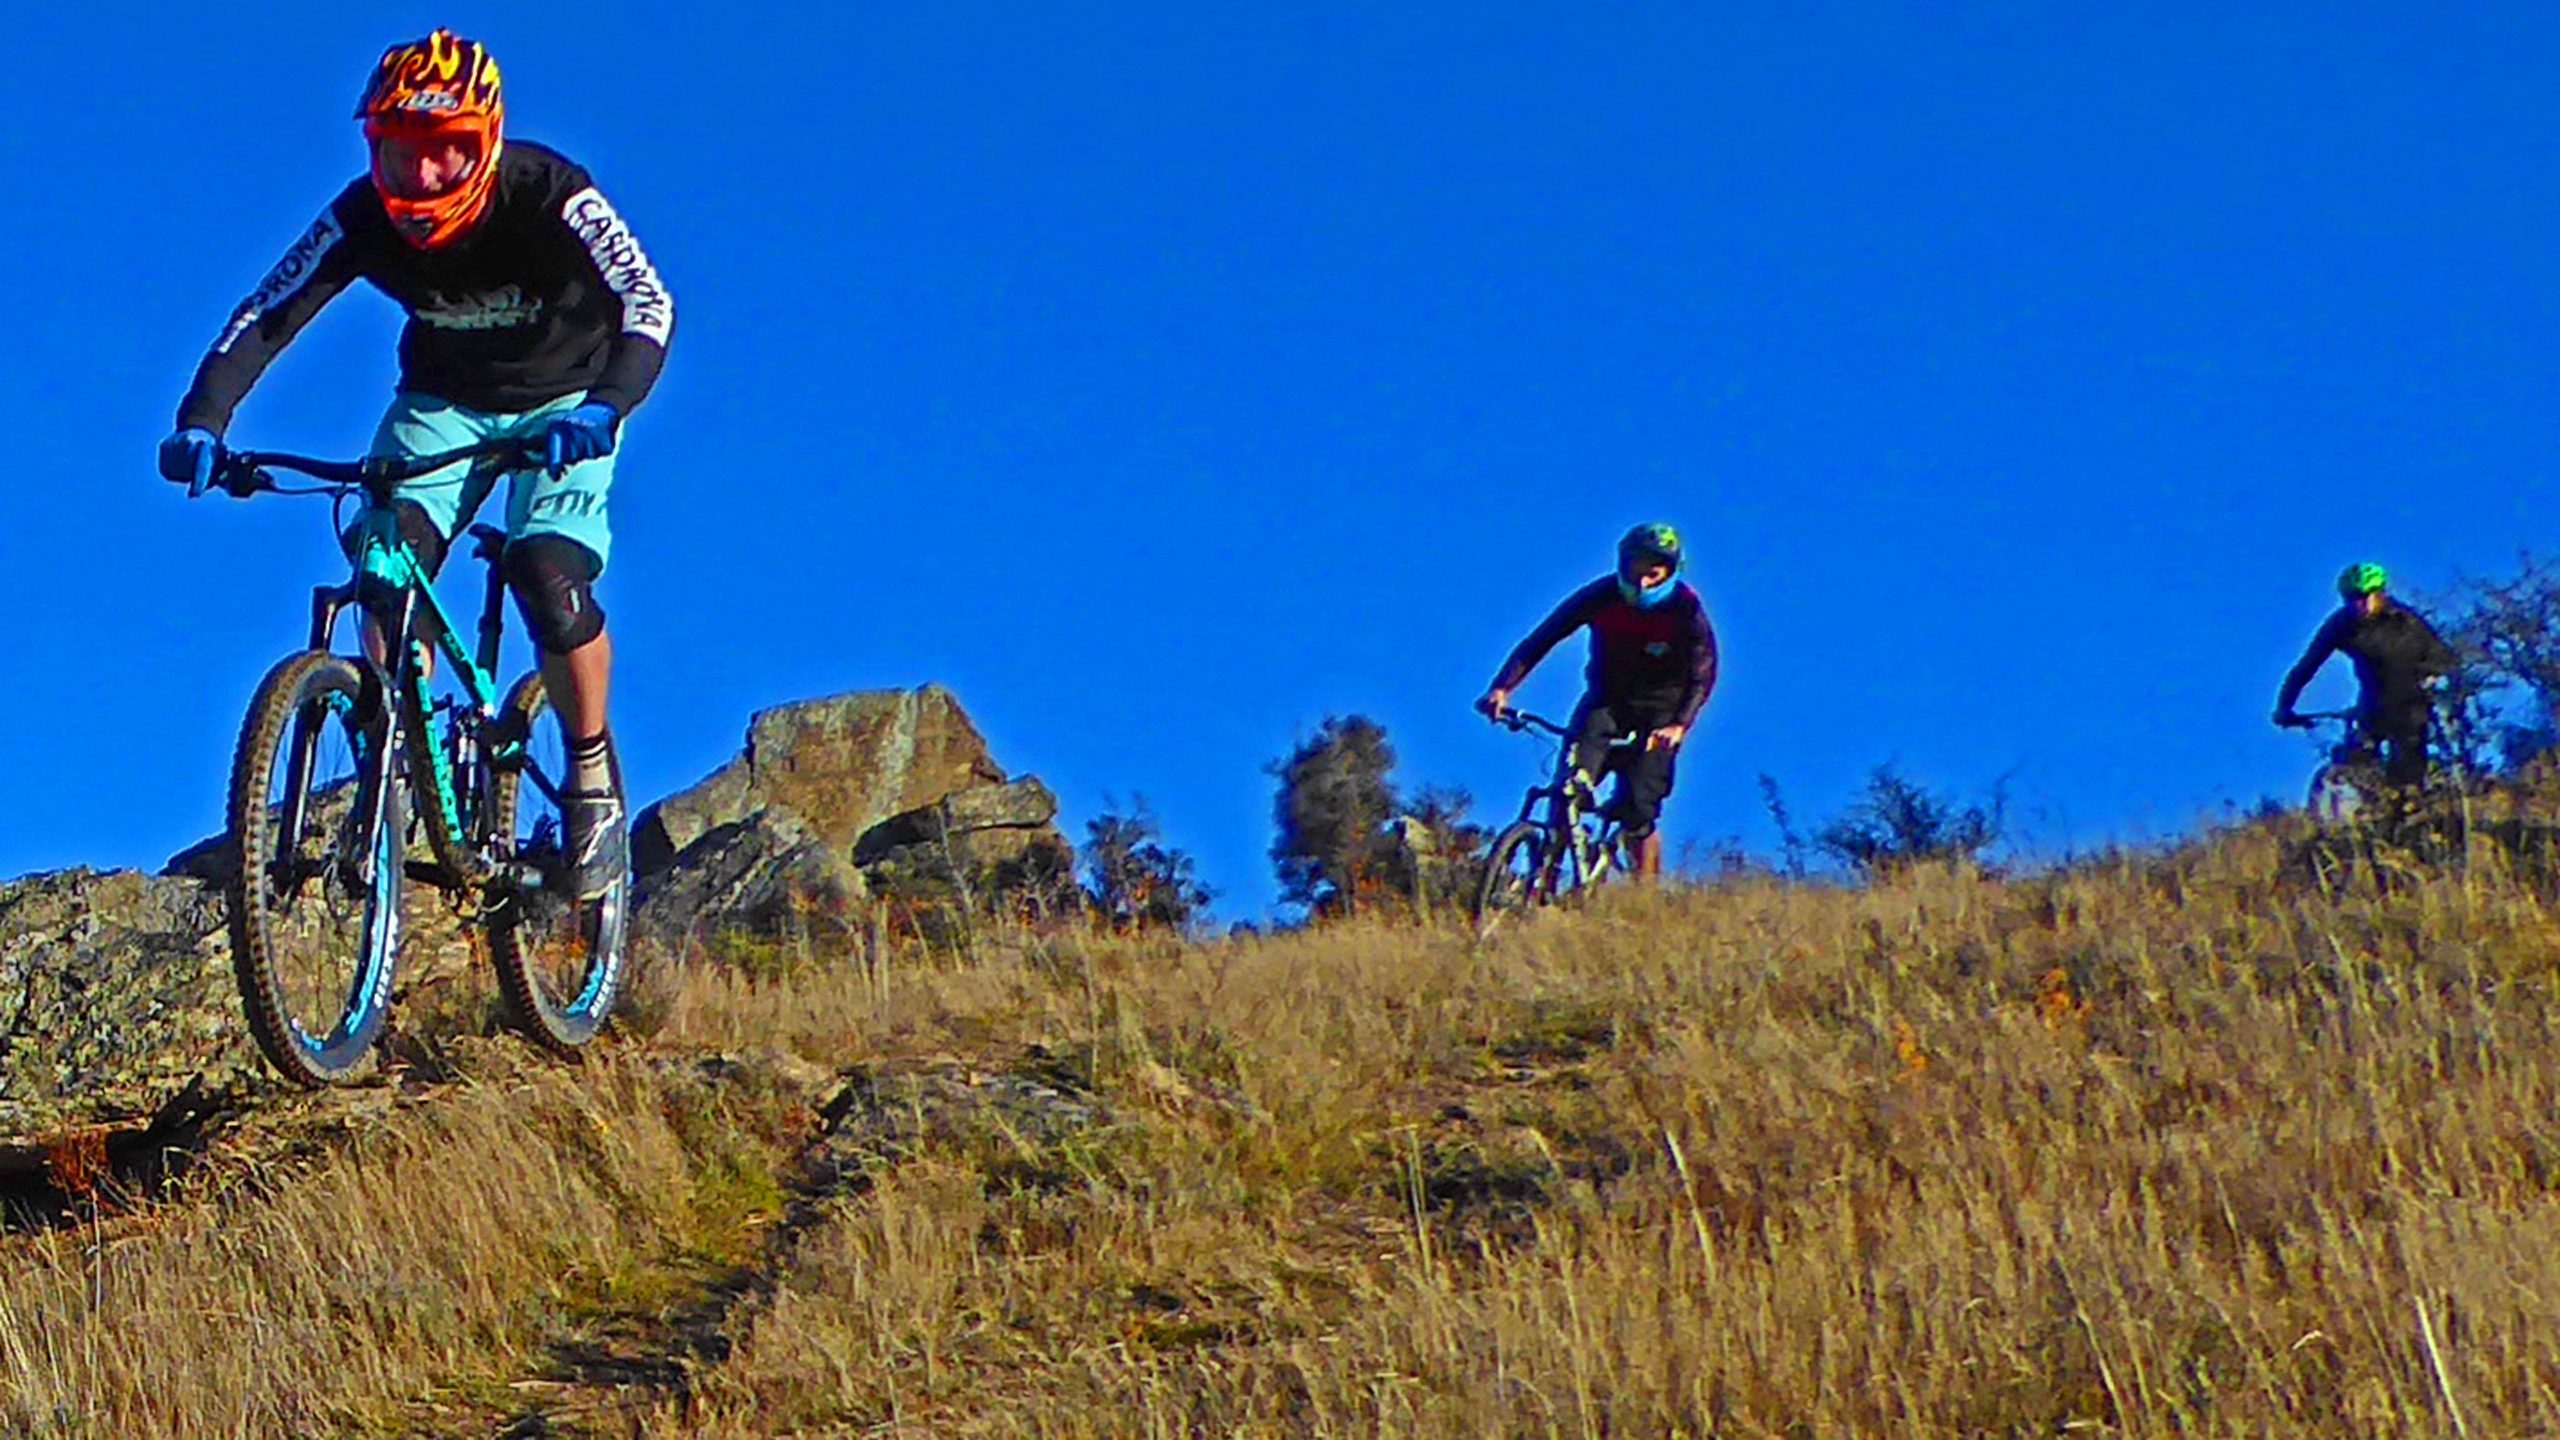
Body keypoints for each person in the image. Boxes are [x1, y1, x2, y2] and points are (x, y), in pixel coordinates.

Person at [156, 29, 673, 898]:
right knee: (384, 559)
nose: (425, 177)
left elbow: (647, 301)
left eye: (449, 152)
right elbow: (269, 313)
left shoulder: (551, 194)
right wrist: (204, 420)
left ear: (489, 141)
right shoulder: (360, 216)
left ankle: (588, 782)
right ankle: (403, 744)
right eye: (403, 155)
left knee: (544, 572)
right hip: (440, 404)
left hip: (567, 405)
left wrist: (605, 406)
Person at [1476, 523, 1719, 880]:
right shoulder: (1601, 596)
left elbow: (1703, 673)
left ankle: (1644, 896)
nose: (1643, 583)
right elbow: (1542, 639)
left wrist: (1680, 724)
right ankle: (1544, 880)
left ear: (1670, 572)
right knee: (1568, 787)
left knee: (1639, 808)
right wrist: (1501, 688)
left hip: (1662, 713)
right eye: (1636, 572)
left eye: (1653, 575)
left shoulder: (1686, 610)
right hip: (1607, 703)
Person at [2273, 562, 2459, 790]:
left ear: (2379, 594)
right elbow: (2307, 666)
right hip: (2373, 701)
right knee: (2358, 758)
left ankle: (2411, 811)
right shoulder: (2340, 624)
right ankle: (2362, 807)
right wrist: (2285, 706)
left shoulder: (2405, 620)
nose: (2357, 604)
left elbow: (2444, 657)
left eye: (2363, 597)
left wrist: (2433, 678)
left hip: (2412, 701)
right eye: (2351, 599)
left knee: (2408, 772)